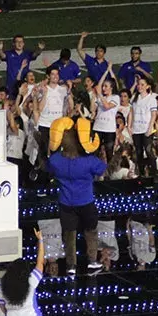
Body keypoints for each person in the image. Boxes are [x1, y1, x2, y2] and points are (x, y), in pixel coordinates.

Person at [45, 115, 107, 277]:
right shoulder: (89, 161)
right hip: (86, 202)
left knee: (69, 234)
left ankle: (71, 266)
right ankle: (92, 261)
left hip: (66, 203)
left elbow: (49, 166)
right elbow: (102, 169)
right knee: (91, 231)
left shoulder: (56, 160)